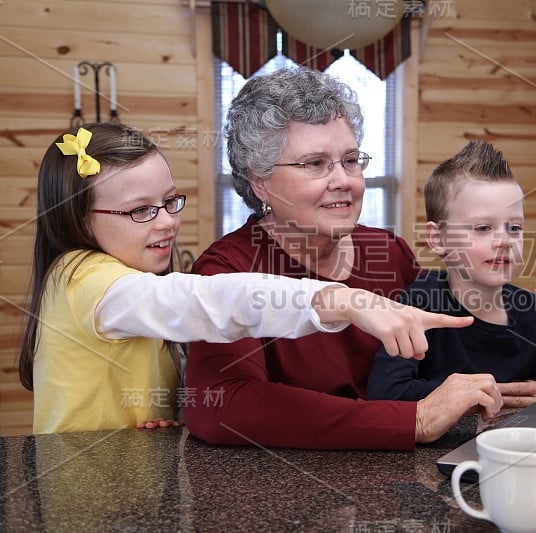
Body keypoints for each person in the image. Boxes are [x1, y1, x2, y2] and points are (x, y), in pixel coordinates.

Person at [18, 122, 472, 435]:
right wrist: (342, 300)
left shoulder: (126, 279)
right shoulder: (83, 280)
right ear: (76, 218)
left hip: (130, 482)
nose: (166, 223)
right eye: (140, 210)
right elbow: (213, 302)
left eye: (170, 201)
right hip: (79, 494)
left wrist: (170, 414)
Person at [184, 67, 506, 450]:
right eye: (315, 164)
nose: (344, 181)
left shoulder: (389, 251)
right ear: (260, 182)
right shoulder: (227, 268)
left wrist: (502, 389)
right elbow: (221, 406)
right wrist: (411, 422)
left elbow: (438, 366)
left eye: (351, 160)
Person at [367, 141, 536, 403]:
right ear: (438, 239)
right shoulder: (418, 306)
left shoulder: (535, 313)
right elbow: (386, 393)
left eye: (514, 228)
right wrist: (479, 395)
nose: (504, 241)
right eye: (483, 228)